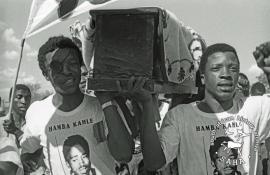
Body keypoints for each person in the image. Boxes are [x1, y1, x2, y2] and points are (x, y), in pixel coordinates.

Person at [140, 42, 270, 175]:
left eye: (233, 68)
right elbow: (154, 163)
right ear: (203, 77)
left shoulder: (254, 109)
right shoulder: (181, 117)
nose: (226, 74)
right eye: (216, 68)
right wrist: (147, 104)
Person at [19, 36, 133, 175]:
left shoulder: (103, 106)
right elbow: (27, 154)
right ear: (45, 74)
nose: (66, 71)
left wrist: (106, 102)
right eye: (56, 66)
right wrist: (31, 163)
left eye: (72, 63)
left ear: (80, 67)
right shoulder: (37, 112)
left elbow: (125, 155)